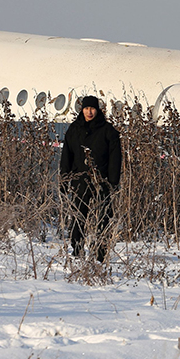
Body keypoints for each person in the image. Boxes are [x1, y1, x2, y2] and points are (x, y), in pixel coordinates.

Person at [59, 96, 122, 262]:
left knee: (104, 216)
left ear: (97, 110)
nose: (89, 112)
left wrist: (112, 183)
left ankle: (101, 253)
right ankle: (77, 250)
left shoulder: (108, 131)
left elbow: (115, 159)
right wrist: (64, 180)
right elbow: (66, 156)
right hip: (80, 179)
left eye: (92, 108)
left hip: (102, 181)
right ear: (82, 109)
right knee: (79, 216)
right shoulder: (74, 129)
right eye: (86, 108)